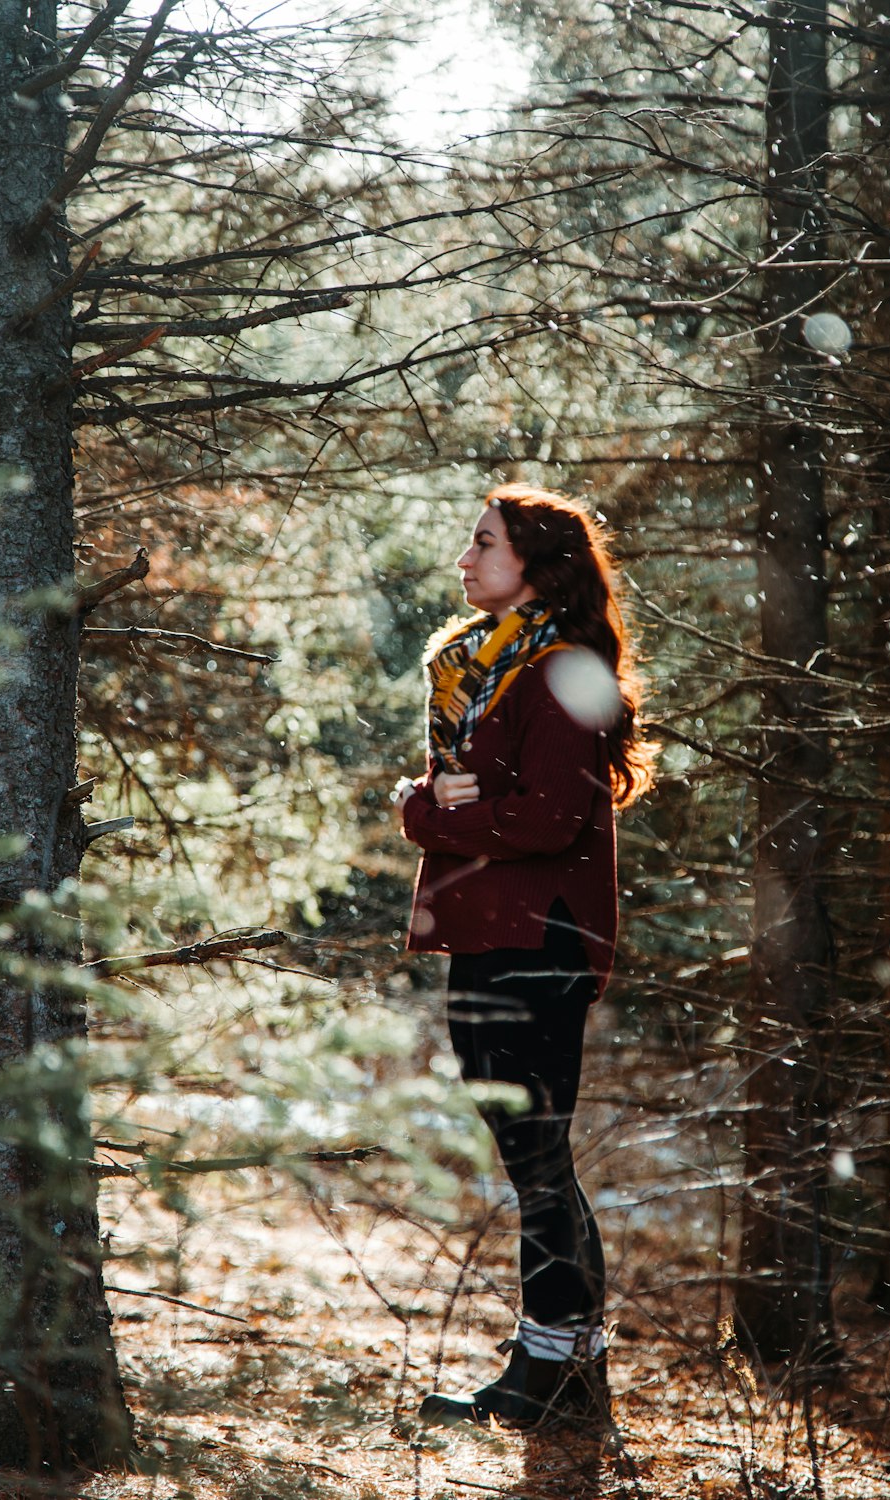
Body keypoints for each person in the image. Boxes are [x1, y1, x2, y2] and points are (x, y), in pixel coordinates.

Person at [393, 483, 655, 1430]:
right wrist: (445, 807)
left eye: (484, 544)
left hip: (540, 936)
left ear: (537, 566)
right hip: (493, 929)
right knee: (533, 1158)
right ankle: (569, 1369)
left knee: (535, 1158)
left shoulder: (561, 667)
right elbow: (488, 796)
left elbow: (550, 820)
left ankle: (549, 1374)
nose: (465, 561)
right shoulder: (491, 666)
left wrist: (425, 814)